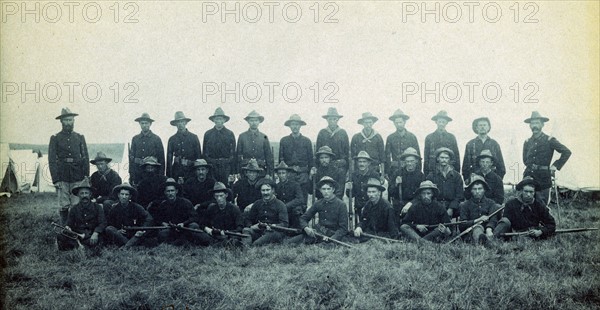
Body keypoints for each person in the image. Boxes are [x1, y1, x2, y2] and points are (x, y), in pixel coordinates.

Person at [48, 108, 89, 224]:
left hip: (78, 175)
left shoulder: (80, 137)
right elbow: (51, 159)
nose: (68, 123)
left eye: (70, 120)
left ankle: (78, 227)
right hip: (62, 176)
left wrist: (86, 175)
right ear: (61, 121)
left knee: (77, 203)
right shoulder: (55, 138)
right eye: (65, 120)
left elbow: (85, 157)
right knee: (63, 205)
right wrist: (55, 179)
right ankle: (64, 229)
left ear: (74, 121)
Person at [522, 111, 571, 205]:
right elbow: (525, 160)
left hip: (543, 179)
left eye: (537, 123)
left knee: (542, 206)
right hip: (528, 177)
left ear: (542, 124)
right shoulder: (527, 142)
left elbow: (566, 152)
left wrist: (555, 165)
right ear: (529, 126)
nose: (534, 126)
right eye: (532, 123)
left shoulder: (549, 140)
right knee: (526, 204)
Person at [286, 176, 348, 245]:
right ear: (320, 190)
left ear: (333, 189)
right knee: (291, 242)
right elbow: (303, 218)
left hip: (334, 235)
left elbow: (343, 228)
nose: (326, 192)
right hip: (320, 233)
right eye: (323, 189)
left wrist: (333, 238)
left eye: (328, 189)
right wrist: (306, 228)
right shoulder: (318, 203)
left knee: (327, 245)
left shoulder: (341, 205)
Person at [147, 178, 201, 245]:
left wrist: (184, 223)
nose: (170, 193)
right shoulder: (163, 205)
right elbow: (157, 218)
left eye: (172, 191)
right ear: (165, 193)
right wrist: (163, 223)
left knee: (194, 225)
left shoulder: (186, 202)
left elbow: (194, 217)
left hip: (184, 228)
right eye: (168, 191)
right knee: (162, 234)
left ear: (176, 191)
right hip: (171, 229)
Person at [57, 178, 105, 250]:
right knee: (61, 236)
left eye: (86, 193)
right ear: (78, 195)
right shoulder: (74, 209)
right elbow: (69, 223)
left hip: (92, 235)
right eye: (82, 193)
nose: (84, 195)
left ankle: (79, 247)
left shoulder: (98, 207)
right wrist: (68, 227)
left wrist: (96, 233)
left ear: (90, 194)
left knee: (99, 240)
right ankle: (78, 246)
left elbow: (102, 223)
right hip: (78, 235)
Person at [104, 183, 153, 247]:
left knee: (140, 235)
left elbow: (149, 218)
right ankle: (130, 245)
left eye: (126, 195)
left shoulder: (137, 207)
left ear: (130, 196)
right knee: (109, 229)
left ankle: (126, 246)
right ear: (118, 195)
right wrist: (118, 231)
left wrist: (141, 230)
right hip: (121, 235)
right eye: (122, 194)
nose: (124, 197)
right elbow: (110, 223)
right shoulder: (114, 208)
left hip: (134, 233)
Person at [195, 182, 244, 246]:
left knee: (236, 237)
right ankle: (220, 243)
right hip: (214, 235)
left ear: (226, 195)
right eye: (216, 196)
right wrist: (208, 229)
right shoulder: (211, 208)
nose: (219, 198)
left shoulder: (234, 209)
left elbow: (240, 227)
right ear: (214, 197)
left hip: (228, 235)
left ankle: (222, 243)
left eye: (221, 196)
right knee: (197, 232)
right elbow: (202, 223)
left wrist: (228, 232)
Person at [242, 178, 288, 246]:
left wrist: (274, 226)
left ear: (273, 190)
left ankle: (253, 246)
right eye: (263, 190)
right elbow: (248, 219)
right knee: (246, 230)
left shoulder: (280, 205)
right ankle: (246, 246)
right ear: (260, 191)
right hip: (260, 231)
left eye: (268, 190)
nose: (265, 193)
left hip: (274, 232)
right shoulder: (257, 204)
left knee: (256, 244)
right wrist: (252, 226)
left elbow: (285, 223)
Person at [458, 175, 502, 245]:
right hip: (471, 232)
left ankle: (487, 239)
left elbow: (493, 219)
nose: (477, 191)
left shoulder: (491, 203)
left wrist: (489, 228)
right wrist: (477, 220)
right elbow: (462, 225)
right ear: (471, 190)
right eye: (474, 189)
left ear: (484, 190)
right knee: (477, 228)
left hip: (489, 231)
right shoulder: (464, 205)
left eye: (480, 188)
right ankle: (482, 241)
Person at [279, 114, 313, 197]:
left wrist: (310, 173)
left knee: (303, 197)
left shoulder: (307, 141)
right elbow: (281, 159)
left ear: (300, 126)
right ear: (290, 126)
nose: (295, 127)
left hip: (303, 174)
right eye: (293, 124)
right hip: (289, 174)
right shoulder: (284, 140)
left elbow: (311, 159)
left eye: (297, 124)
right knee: (290, 197)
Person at [388, 147, 424, 223]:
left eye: (412, 161)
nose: (409, 164)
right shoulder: (397, 173)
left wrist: (410, 204)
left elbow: (421, 194)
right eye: (407, 161)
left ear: (416, 161)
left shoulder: (420, 176)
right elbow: (390, 192)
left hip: (414, 203)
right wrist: (396, 184)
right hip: (399, 203)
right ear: (404, 162)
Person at [426, 147, 464, 219]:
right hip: (436, 205)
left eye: (446, 158)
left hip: (452, 205)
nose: (444, 160)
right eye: (442, 157)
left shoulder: (456, 176)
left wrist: (451, 208)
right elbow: (428, 193)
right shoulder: (431, 176)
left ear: (449, 160)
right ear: (437, 159)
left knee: (463, 205)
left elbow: (459, 195)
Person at [129, 112, 165, 186]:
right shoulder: (135, 139)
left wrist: (161, 175)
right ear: (139, 124)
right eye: (142, 123)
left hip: (152, 172)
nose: (144, 125)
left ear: (150, 124)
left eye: (146, 123)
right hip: (138, 173)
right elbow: (131, 159)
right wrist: (132, 175)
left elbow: (161, 159)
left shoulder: (156, 139)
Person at [203, 108, 236, 185]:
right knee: (212, 186)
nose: (218, 121)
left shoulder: (229, 134)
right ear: (213, 120)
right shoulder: (208, 134)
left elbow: (233, 154)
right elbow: (204, 153)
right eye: (216, 119)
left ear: (224, 120)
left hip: (226, 167)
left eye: (220, 119)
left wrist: (233, 172)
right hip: (212, 166)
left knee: (226, 187)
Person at [385, 109, 421, 178]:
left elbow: (417, 155)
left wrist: (418, 170)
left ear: (404, 122)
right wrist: (387, 172)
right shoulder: (390, 138)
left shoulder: (412, 137)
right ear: (394, 123)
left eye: (400, 122)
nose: (399, 125)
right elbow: (387, 156)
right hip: (395, 169)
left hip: (409, 169)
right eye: (396, 123)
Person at [236, 110, 274, 177]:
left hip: (261, 169)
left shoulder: (264, 137)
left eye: (256, 120)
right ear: (248, 122)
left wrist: (268, 173)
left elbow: (268, 156)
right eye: (252, 120)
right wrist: (238, 172)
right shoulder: (242, 136)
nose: (254, 123)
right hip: (246, 170)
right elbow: (238, 155)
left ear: (259, 122)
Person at [166, 111, 202, 182]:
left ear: (185, 123)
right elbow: (169, 159)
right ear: (176, 124)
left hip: (191, 171)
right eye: (178, 122)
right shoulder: (172, 139)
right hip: (176, 171)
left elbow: (198, 157)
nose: (180, 124)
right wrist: (169, 176)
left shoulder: (193, 137)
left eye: (182, 122)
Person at [423, 110, 460, 176]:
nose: (441, 124)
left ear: (446, 123)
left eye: (443, 122)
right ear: (436, 122)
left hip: (448, 170)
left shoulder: (451, 137)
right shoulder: (429, 138)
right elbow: (426, 157)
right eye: (439, 122)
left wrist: (457, 172)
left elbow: (456, 156)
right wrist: (426, 174)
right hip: (433, 170)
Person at [316, 107, 350, 177]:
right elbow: (317, 152)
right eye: (330, 119)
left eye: (334, 119)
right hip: (324, 164)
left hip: (339, 166)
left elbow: (346, 152)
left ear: (337, 120)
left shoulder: (343, 133)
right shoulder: (322, 133)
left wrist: (347, 169)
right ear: (327, 120)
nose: (332, 121)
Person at [347, 151, 380, 219]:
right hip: (358, 206)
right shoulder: (353, 175)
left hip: (372, 206)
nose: (362, 164)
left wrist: (367, 206)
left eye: (364, 162)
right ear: (357, 163)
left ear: (368, 163)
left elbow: (378, 194)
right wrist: (349, 189)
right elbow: (350, 195)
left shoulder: (374, 175)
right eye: (360, 162)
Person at [274, 162, 306, 229]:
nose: (281, 175)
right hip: (282, 211)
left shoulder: (295, 185)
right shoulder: (277, 186)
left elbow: (300, 199)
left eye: (283, 173)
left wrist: (286, 206)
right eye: (279, 173)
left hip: (292, 210)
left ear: (287, 174)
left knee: (297, 211)